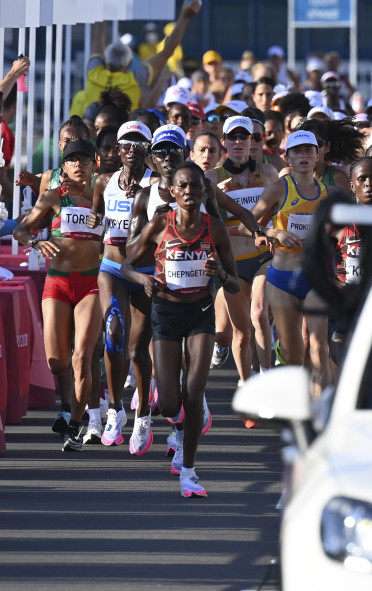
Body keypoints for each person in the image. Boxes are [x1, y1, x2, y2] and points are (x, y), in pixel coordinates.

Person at [122, 162, 239, 497]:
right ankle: (177, 421)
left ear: (204, 192)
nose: (189, 192)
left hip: (201, 314)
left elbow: (232, 286)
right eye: (183, 187)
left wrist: (219, 274)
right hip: (166, 314)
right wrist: (144, 278)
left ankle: (188, 471)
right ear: (172, 191)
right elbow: (127, 264)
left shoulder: (215, 229)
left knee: (195, 390)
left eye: (196, 187)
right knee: (171, 404)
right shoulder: (160, 224)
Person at [14, 140, 103, 451]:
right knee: (57, 363)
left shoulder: (103, 198)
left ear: (95, 164)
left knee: (83, 357)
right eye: (71, 160)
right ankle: (76, 412)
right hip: (58, 283)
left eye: (84, 159)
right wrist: (36, 243)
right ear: (63, 167)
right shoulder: (54, 197)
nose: (78, 164)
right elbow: (20, 229)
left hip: (92, 284)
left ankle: (76, 427)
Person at [86, 121, 156, 452]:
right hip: (112, 267)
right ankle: (115, 408)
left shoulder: (156, 186)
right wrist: (93, 221)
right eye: (126, 144)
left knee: (137, 348)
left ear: (148, 150)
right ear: (117, 150)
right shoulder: (103, 181)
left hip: (144, 270)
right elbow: (98, 215)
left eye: (139, 144)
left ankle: (143, 415)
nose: (131, 150)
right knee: (113, 332)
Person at [249, 130, 331, 395]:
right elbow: (245, 225)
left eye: (309, 150)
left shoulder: (327, 193)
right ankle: (291, 381)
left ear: (318, 154)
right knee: (294, 355)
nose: (304, 156)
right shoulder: (279, 188)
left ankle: (321, 414)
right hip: (282, 280)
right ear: (288, 157)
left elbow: (338, 233)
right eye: (298, 151)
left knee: (319, 346)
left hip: (315, 278)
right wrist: (274, 233)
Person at [208, 117, 279, 387]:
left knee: (259, 314)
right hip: (231, 264)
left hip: (263, 258)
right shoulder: (211, 178)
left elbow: (278, 214)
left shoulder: (269, 173)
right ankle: (246, 385)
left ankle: (265, 380)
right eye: (232, 137)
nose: (238, 142)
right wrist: (216, 196)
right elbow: (207, 223)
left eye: (244, 137)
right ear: (224, 141)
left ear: (252, 141)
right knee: (240, 334)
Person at [71, 0, 202, 115]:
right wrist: (185, 17)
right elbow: (167, 52)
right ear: (128, 64)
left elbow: (98, 40)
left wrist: (101, 3)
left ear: (105, 60)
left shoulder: (94, 72)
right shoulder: (135, 79)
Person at [329, 157, 372, 376]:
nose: (369, 184)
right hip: (345, 304)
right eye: (362, 179)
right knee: (341, 369)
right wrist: (333, 283)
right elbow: (317, 258)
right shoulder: (339, 221)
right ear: (352, 185)